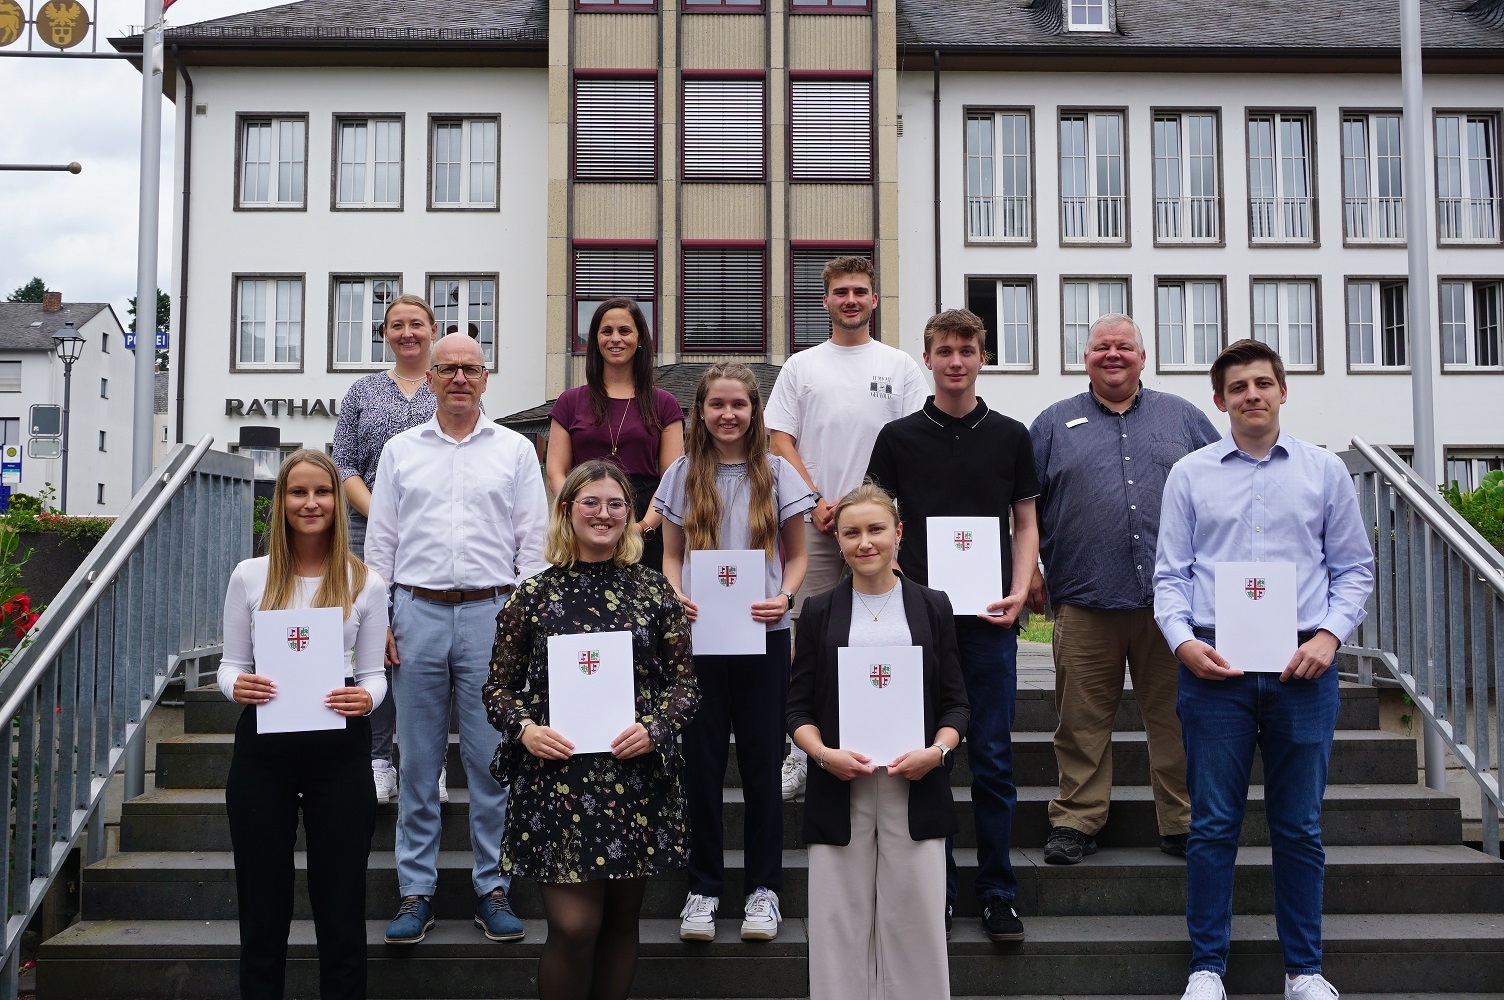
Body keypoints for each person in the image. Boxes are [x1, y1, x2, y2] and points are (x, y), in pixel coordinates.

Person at [1154, 340, 1374, 1000]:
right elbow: (1169, 575)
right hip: (1213, 668)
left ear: (1283, 391)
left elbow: (1355, 569)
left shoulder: (1324, 472)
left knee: (1299, 827)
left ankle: (1304, 971)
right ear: (1219, 401)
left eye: (1264, 383)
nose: (1253, 394)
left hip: (1302, 668)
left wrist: (1330, 638)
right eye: (1239, 387)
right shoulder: (1190, 474)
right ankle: (1207, 969)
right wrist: (1182, 643)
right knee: (1214, 826)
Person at [484, 459, 699, 1000]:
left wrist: (657, 727)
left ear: (630, 515)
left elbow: (686, 686)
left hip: (635, 775)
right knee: (575, 928)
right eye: (591, 503)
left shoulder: (654, 592)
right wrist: (527, 730)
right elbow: (496, 690)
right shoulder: (532, 595)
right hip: (558, 780)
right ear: (566, 510)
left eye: (615, 504)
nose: (603, 514)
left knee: (623, 922)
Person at [364, 332, 549, 946]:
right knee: (417, 761)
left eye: (472, 369)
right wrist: (380, 618)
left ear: (486, 377)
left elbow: (532, 543)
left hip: (493, 616)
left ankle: (490, 887)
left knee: (490, 763)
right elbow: (381, 543)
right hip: (415, 611)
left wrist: (520, 623)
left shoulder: (516, 450)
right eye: (449, 369)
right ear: (433, 377)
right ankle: (415, 892)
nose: (461, 379)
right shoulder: (399, 450)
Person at [865, 308, 1039, 941]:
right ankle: (931, 888)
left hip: (991, 622)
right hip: (919, 623)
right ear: (928, 359)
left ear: (982, 357)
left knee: (992, 759)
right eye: (945, 350)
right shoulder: (899, 437)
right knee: (924, 760)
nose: (957, 360)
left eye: (967, 349)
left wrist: (1019, 591)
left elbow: (1024, 522)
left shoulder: (1011, 435)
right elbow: (880, 521)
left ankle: (997, 891)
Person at [1026, 313, 1220, 864]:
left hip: (1174, 607)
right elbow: (1023, 508)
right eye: (1101, 347)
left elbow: (1222, 489)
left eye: (1124, 347)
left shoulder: (1183, 419)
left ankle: (1182, 821)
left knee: (1178, 716)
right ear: (1084, 357)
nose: (1113, 355)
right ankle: (1077, 819)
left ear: (1143, 355)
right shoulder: (1053, 423)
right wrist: (1031, 573)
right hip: (1085, 599)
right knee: (1079, 720)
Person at [785, 483, 969, 1000]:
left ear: (898, 534)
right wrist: (823, 755)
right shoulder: (819, 610)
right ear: (838, 541)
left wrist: (937, 752)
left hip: (916, 783)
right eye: (852, 533)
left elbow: (956, 702)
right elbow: (797, 709)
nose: (865, 542)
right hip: (840, 782)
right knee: (837, 924)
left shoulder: (933, 606)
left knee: (917, 925)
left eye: (875, 530)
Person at [654, 363, 815, 943]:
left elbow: (795, 557)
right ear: (700, 412)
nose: (727, 415)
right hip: (699, 641)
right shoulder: (681, 473)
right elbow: (670, 556)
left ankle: (763, 889)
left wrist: (785, 595)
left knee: (761, 766)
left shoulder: (777, 473)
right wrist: (674, 593)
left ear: (755, 411)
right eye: (716, 405)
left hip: (762, 638)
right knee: (699, 767)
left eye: (739, 405)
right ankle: (702, 889)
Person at [218, 449, 388, 999]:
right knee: (261, 912)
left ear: (337, 502)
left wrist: (364, 697)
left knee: (341, 911)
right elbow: (231, 665)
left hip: (338, 747)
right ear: (281, 501)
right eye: (298, 492)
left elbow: (373, 675)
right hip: (264, 746)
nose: (310, 503)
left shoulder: (365, 580)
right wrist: (234, 688)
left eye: (321, 492)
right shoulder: (250, 575)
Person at [765, 255, 927, 798]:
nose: (851, 300)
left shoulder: (901, 365)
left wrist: (876, 513)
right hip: (816, 520)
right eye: (841, 292)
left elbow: (909, 441)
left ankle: (887, 735)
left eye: (860, 291)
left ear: (874, 300)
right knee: (804, 639)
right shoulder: (802, 366)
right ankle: (801, 753)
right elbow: (780, 439)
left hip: (878, 528)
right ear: (826, 300)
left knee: (883, 632)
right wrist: (812, 500)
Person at [331, 292, 440, 806]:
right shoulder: (362, 392)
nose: (407, 333)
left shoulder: (451, 384)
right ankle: (377, 761)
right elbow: (345, 464)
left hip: (432, 534)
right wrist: (382, 514)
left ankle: (426, 763)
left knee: (420, 642)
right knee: (373, 640)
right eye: (397, 325)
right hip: (363, 528)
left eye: (416, 324)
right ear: (385, 334)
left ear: (432, 330)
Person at [546, 297, 685, 572]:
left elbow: (673, 479)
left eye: (625, 331)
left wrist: (643, 527)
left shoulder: (664, 403)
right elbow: (555, 470)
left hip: (644, 524)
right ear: (596, 340)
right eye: (606, 331)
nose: (615, 339)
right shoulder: (569, 402)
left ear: (640, 339)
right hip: (585, 523)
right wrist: (579, 513)